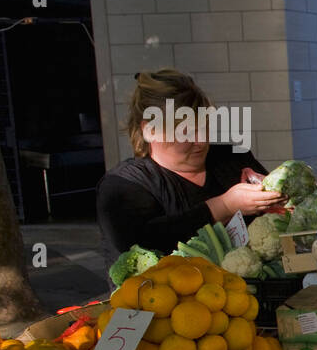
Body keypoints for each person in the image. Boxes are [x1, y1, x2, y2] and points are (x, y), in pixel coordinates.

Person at [96, 69, 286, 265]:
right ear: (151, 130)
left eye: (204, 128)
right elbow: (139, 246)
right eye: (186, 132)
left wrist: (276, 194)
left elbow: (286, 217)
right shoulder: (123, 185)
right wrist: (223, 207)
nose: (201, 141)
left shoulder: (233, 159)